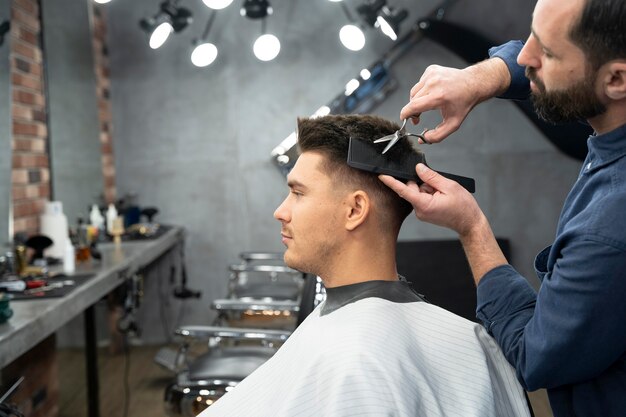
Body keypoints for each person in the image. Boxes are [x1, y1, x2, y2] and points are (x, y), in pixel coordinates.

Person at [380, 0, 626, 416]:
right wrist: (481, 76)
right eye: (532, 34)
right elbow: (527, 58)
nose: (523, 56)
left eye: (546, 53)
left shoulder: (608, 230)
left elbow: (534, 357)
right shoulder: (610, 122)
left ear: (617, 78)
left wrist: (472, 227)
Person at [197, 114, 531, 417]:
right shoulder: (470, 337)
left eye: (298, 193)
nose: (280, 212)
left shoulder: (356, 366)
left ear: (355, 210)